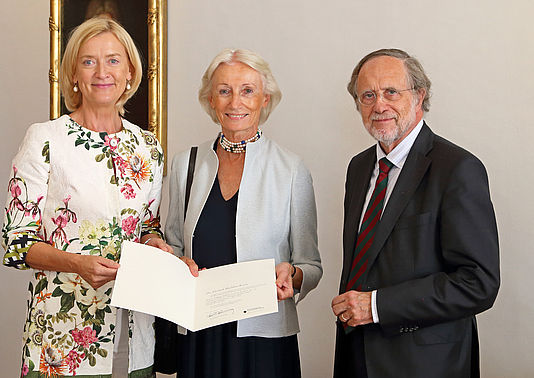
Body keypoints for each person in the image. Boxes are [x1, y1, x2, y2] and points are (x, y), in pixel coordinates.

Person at [1, 17, 171, 377]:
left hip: (135, 328)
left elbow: (147, 225)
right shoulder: (45, 140)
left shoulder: (148, 147)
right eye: (88, 61)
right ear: (74, 74)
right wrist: (77, 264)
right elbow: (17, 244)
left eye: (113, 60)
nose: (101, 72)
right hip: (62, 337)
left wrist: (156, 243)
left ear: (130, 72)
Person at [331, 48, 500, 378]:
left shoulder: (458, 169)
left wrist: (377, 306)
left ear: (420, 95)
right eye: (368, 95)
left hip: (425, 365)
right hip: (356, 356)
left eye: (391, 92)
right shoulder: (359, 167)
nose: (379, 105)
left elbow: (478, 282)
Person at [165, 48, 323, 378]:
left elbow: (310, 264)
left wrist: (291, 276)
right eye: (224, 91)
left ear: (265, 99)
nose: (235, 102)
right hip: (200, 333)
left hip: (263, 339)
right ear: (211, 100)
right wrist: (177, 265)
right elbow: (174, 247)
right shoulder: (185, 165)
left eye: (247, 91)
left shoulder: (291, 169)